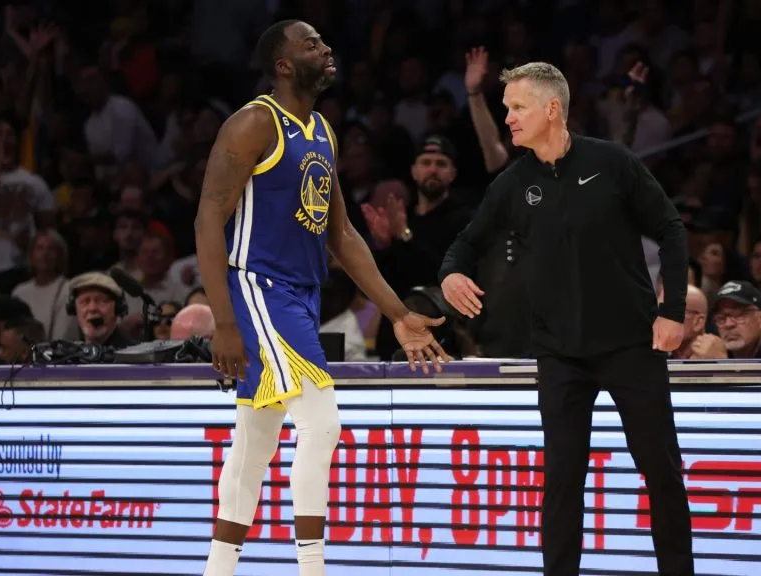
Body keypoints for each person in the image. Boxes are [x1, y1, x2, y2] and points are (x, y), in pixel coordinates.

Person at [194, 20, 450, 576]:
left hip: (301, 294)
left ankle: (218, 569)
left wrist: (398, 313)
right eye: (311, 44)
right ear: (284, 65)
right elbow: (208, 219)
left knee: (255, 441)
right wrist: (224, 322)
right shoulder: (253, 123)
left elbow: (344, 235)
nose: (326, 48)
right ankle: (313, 568)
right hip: (259, 287)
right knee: (322, 421)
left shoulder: (322, 131)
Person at [439, 62, 693, 576]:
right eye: (506, 108)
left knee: (661, 473)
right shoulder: (513, 183)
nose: (508, 118)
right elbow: (466, 243)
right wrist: (450, 275)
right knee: (561, 482)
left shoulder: (612, 162)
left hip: (630, 344)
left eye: (517, 107)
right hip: (558, 353)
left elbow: (671, 228)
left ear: (552, 109)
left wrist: (671, 312)